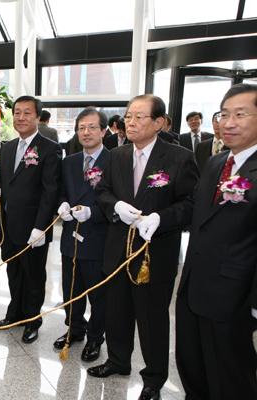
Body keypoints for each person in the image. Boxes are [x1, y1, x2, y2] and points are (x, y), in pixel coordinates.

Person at [142, 83, 257, 399]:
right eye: (224, 114)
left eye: (240, 114)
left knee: (230, 375)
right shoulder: (217, 163)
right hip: (194, 286)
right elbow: (195, 208)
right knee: (194, 367)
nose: (229, 123)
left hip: (234, 296)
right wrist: (160, 218)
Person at [88, 94, 199, 400]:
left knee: (152, 319)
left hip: (155, 253)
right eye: (128, 116)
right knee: (117, 312)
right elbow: (104, 191)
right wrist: (117, 206)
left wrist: (160, 218)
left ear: (160, 122)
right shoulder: (118, 154)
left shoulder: (179, 158)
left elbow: (191, 203)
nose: (131, 122)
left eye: (139, 117)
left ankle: (153, 378)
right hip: (117, 250)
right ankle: (118, 360)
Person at [0, 95, 62, 344]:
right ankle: (14, 315)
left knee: (33, 276)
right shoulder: (7, 147)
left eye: (27, 113)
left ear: (38, 117)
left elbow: (50, 191)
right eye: (17, 112)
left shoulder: (50, 149)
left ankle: (32, 320)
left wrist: (40, 228)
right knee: (14, 272)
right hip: (8, 225)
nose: (21, 117)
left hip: (33, 229)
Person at [54, 107, 109, 362]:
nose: (86, 133)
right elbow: (63, 190)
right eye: (81, 128)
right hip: (70, 238)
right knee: (71, 290)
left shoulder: (115, 160)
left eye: (92, 127)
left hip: (98, 238)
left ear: (104, 130)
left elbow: (117, 200)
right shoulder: (69, 161)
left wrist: (94, 213)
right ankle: (74, 328)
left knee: (98, 293)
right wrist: (63, 204)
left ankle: (95, 337)